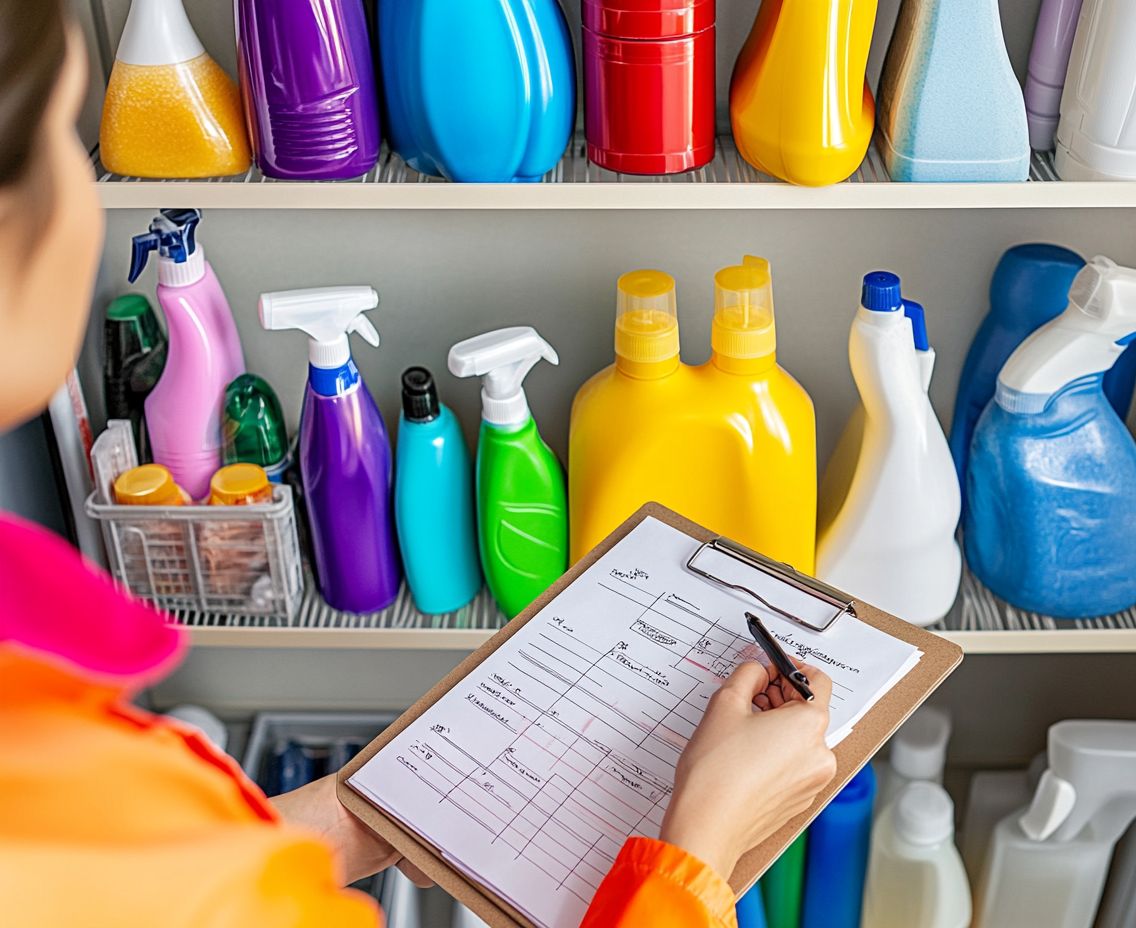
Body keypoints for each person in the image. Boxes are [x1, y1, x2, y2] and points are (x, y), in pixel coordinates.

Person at [0, 4, 838, 926]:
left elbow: (126, 889)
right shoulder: (58, 761)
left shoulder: (40, 738)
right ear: (18, 228)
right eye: (63, 136)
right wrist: (700, 846)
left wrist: (348, 822)